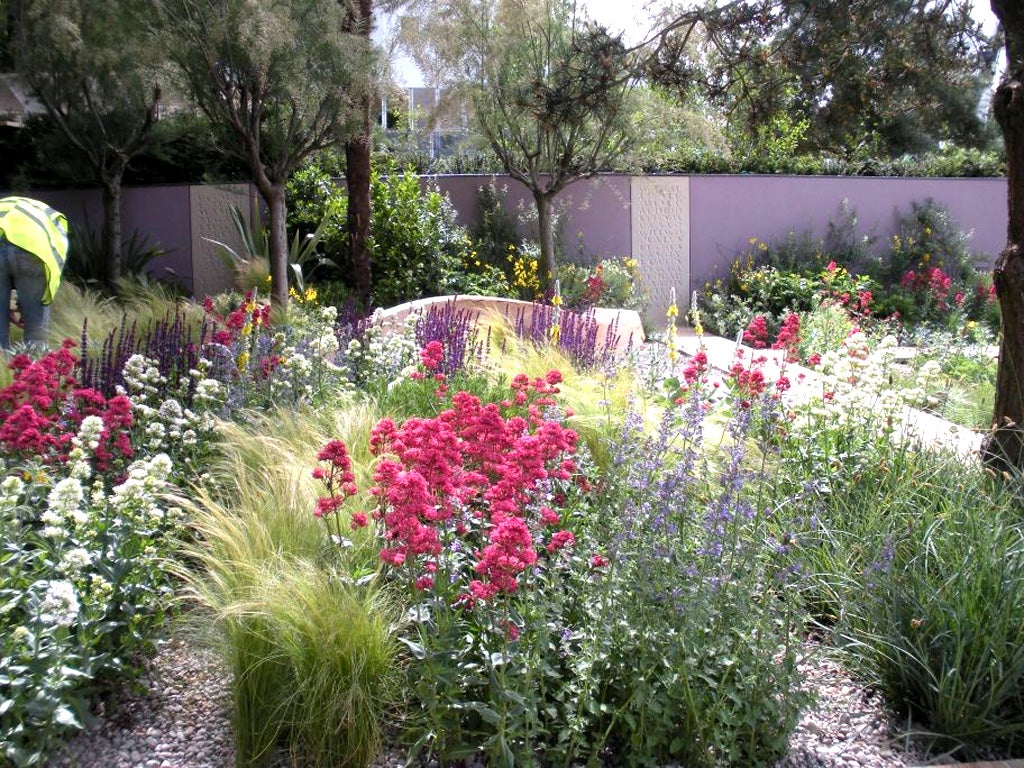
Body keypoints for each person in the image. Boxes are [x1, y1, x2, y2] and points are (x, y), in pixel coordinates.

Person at [0, 196, 69, 349]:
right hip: (33, 248)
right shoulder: (52, 220)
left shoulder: (3, 209)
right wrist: (28, 306)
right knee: (35, 333)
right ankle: (34, 369)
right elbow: (53, 266)